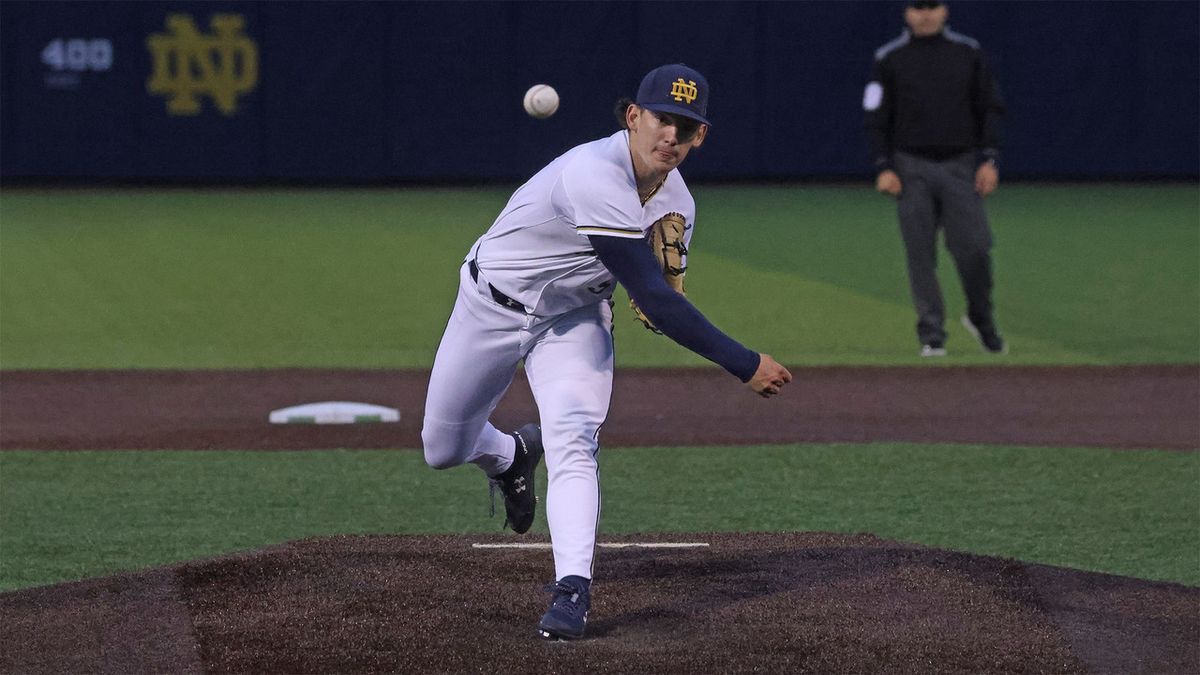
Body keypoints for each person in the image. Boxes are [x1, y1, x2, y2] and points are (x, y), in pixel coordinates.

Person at [421, 63, 792, 640]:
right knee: (441, 448)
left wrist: (662, 293)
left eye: (687, 128)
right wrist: (744, 363)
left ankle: (572, 589)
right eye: (663, 120)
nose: (672, 136)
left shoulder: (679, 205)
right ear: (633, 117)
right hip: (489, 308)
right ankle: (510, 456)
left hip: (573, 320)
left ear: (701, 138)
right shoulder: (593, 172)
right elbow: (656, 300)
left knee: (573, 437)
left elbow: (660, 296)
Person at [863, 0, 1008, 357]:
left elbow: (990, 106)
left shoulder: (967, 52)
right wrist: (883, 166)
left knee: (974, 248)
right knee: (920, 254)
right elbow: (874, 114)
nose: (925, 13)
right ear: (906, 12)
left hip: (960, 165)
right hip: (911, 167)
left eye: (932, 5)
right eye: (917, 6)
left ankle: (980, 317)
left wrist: (989, 159)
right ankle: (932, 334)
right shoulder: (889, 58)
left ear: (945, 10)